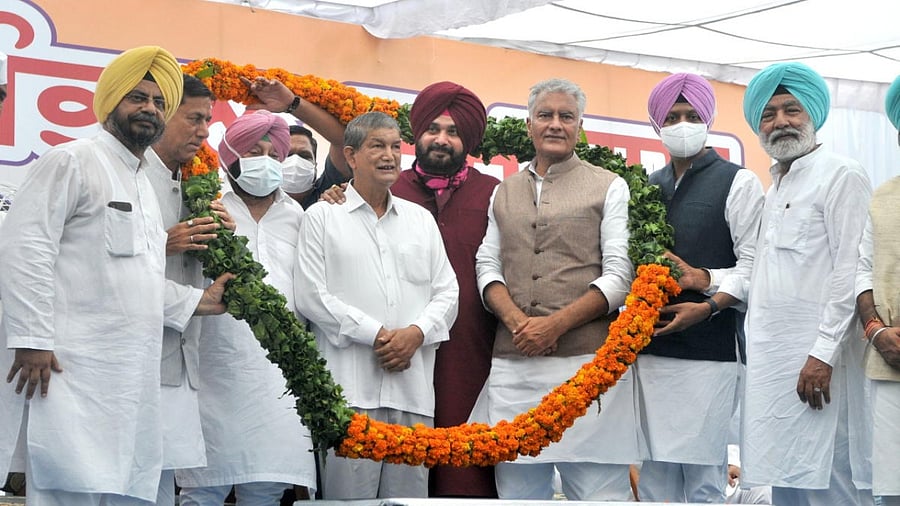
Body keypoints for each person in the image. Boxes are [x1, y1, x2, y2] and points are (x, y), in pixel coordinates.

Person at [0, 45, 232, 505]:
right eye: (136, 98)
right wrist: (32, 339)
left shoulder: (143, 182)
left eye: (158, 101)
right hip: (68, 368)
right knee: (70, 487)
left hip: (128, 376)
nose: (149, 109)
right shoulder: (74, 159)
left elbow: (136, 279)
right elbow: (25, 248)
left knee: (122, 487)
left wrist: (200, 301)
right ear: (110, 104)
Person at [473, 78, 636, 501]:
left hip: (587, 368)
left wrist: (555, 326)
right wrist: (518, 323)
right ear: (529, 125)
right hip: (514, 367)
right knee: (518, 493)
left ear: (580, 126)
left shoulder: (609, 185)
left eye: (567, 116)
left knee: (600, 494)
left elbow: (619, 275)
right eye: (546, 115)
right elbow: (487, 263)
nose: (555, 124)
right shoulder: (502, 190)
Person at [294, 111, 459, 499]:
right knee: (347, 501)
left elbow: (447, 291)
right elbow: (312, 296)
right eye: (377, 146)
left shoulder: (420, 220)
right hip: (347, 393)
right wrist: (379, 336)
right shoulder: (322, 216)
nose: (389, 156)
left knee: (409, 501)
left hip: (413, 393)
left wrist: (415, 334)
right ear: (350, 156)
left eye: (395, 147)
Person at [741, 61, 873, 505]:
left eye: (791, 110)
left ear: (812, 114)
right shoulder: (774, 186)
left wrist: (821, 353)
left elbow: (850, 270)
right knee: (786, 479)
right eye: (769, 113)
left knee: (829, 480)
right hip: (773, 367)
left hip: (819, 366)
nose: (780, 122)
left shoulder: (841, 173)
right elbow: (763, 274)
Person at [175, 110, 317, 505]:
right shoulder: (207, 205)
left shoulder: (298, 215)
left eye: (274, 154)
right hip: (213, 364)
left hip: (276, 376)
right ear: (231, 156)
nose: (266, 162)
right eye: (255, 151)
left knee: (267, 488)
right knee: (202, 489)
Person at [635, 73, 765, 503]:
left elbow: (754, 266)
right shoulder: (646, 188)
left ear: (708, 119)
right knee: (656, 481)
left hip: (711, 355)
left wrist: (705, 289)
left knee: (705, 484)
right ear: (657, 124)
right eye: (671, 116)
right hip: (651, 356)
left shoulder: (738, 181)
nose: (682, 124)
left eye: (691, 115)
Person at [146, 74, 237, 505]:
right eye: (195, 119)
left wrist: (221, 238)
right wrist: (163, 242)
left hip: (180, 359)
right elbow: (97, 268)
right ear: (162, 114)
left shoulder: (193, 183)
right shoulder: (130, 174)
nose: (204, 131)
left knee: (161, 488)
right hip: (135, 360)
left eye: (208, 120)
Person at [853, 74, 900, 506]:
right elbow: (861, 271)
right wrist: (875, 330)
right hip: (891, 364)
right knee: (891, 492)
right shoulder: (881, 198)